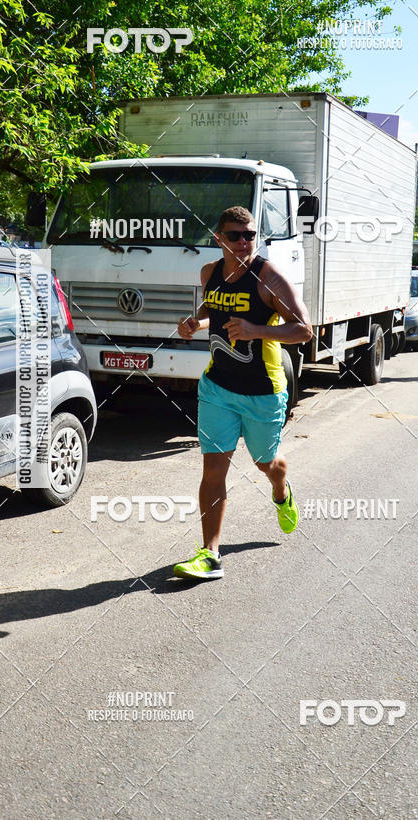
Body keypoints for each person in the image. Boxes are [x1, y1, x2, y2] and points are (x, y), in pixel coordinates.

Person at [173, 206, 313, 581]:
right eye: (235, 236)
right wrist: (195, 323)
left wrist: (256, 330)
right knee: (213, 468)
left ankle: (281, 490)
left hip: (262, 391)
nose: (243, 242)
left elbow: (304, 330)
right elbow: (212, 309)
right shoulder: (210, 273)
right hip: (217, 386)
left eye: (250, 235)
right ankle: (210, 554)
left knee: (267, 463)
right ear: (218, 239)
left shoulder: (270, 279)